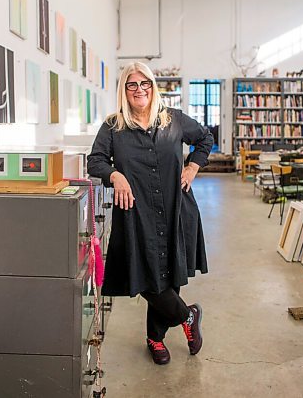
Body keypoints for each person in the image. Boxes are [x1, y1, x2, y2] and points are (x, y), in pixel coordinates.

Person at [87, 62, 213, 365]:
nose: (139, 89)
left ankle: (155, 339)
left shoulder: (175, 120)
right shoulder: (113, 126)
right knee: (144, 276)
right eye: (132, 85)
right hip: (135, 214)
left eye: (144, 83)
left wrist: (193, 166)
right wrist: (115, 176)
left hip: (175, 210)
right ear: (124, 90)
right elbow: (95, 162)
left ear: (153, 86)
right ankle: (187, 315)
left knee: (169, 278)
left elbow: (205, 138)